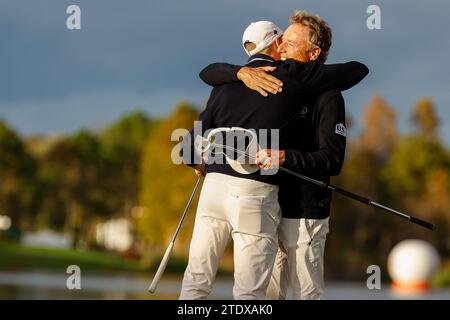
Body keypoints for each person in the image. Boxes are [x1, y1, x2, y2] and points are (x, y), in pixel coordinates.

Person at [179, 20, 368, 300]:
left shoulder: (227, 85)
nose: (284, 46)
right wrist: (241, 72)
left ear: (314, 56)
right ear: (272, 44)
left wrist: (202, 163)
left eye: (290, 42)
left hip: (302, 208)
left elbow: (188, 148)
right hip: (263, 198)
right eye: (282, 40)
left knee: (200, 283)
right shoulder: (277, 75)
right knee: (255, 295)